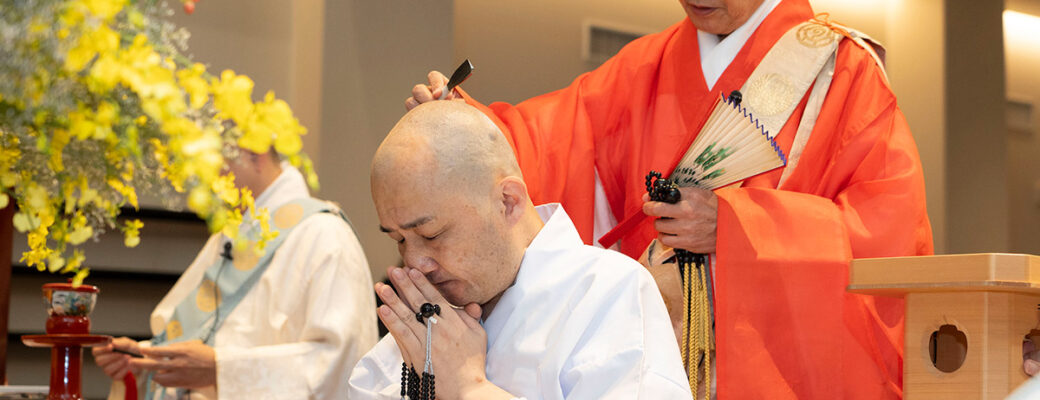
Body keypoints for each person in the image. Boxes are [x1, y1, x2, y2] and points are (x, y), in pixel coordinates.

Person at [406, 0, 933, 398]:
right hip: (641, 358)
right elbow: (549, 142)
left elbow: (887, 237)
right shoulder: (645, 65)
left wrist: (739, 227)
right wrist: (467, 130)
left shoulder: (840, 72)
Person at [347, 101, 692, 399]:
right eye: (399, 240)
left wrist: (471, 388)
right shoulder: (430, 318)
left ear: (508, 202)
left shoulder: (607, 292)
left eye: (432, 234)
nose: (415, 263)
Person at [91, 149, 378, 399]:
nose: (201, 176)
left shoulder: (326, 235)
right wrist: (145, 359)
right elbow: (209, 338)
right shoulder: (230, 235)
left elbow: (341, 365)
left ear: (254, 152)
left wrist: (221, 369)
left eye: (213, 159)